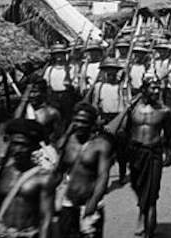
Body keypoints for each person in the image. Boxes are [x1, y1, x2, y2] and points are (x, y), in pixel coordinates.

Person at [0, 119, 55, 238]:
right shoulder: (1, 174)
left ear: (34, 147)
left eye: (23, 145)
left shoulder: (43, 178)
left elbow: (45, 219)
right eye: (14, 143)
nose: (17, 150)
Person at [126, 74, 171, 238]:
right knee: (136, 186)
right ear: (143, 89)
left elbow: (170, 138)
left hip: (154, 154)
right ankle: (143, 210)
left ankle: (148, 231)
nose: (157, 91)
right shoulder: (132, 108)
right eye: (153, 87)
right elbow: (125, 132)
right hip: (136, 154)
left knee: (151, 198)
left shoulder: (165, 111)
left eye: (158, 87)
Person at [54, 102, 114, 238]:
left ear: (92, 123)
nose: (80, 125)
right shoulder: (69, 142)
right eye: (77, 121)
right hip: (68, 202)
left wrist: (93, 201)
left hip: (89, 203)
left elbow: (103, 176)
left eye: (84, 122)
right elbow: (59, 172)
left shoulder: (101, 145)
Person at [87, 58, 128, 184]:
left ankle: (122, 173)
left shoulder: (121, 87)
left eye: (114, 70)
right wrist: (96, 120)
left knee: (121, 150)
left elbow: (125, 106)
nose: (111, 73)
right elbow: (95, 104)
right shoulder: (99, 86)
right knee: (105, 152)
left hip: (118, 117)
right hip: (104, 118)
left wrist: (122, 124)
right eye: (108, 70)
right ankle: (103, 179)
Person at [43, 43, 78, 129]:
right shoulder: (49, 69)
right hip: (53, 97)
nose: (59, 56)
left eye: (61, 54)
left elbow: (76, 84)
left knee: (67, 120)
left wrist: (71, 85)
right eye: (56, 54)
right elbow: (46, 83)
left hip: (66, 97)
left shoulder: (71, 68)